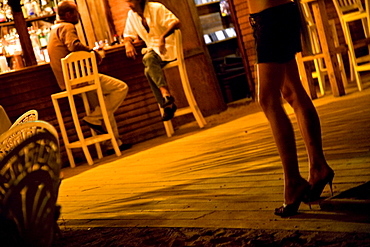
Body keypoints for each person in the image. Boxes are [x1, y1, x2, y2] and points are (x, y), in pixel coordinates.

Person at [247, 0, 334, 217]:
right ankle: (318, 166)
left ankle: (293, 181)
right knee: (292, 91)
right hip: (280, 12)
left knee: (268, 99)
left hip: (270, 16)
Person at [47, 0, 130, 153]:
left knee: (102, 104)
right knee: (121, 88)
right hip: (80, 78)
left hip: (68, 81)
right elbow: (73, 45)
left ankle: (113, 143)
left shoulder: (53, 30)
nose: (79, 15)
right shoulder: (67, 26)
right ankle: (94, 118)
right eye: (76, 12)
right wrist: (93, 52)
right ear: (68, 15)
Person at [123, 0, 180, 121]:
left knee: (148, 59)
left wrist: (162, 36)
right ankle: (168, 103)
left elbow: (175, 22)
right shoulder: (131, 15)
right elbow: (128, 34)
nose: (128, 5)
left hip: (167, 48)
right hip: (153, 52)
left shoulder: (156, 8)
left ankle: (165, 95)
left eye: (130, 1)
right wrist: (128, 43)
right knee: (148, 68)